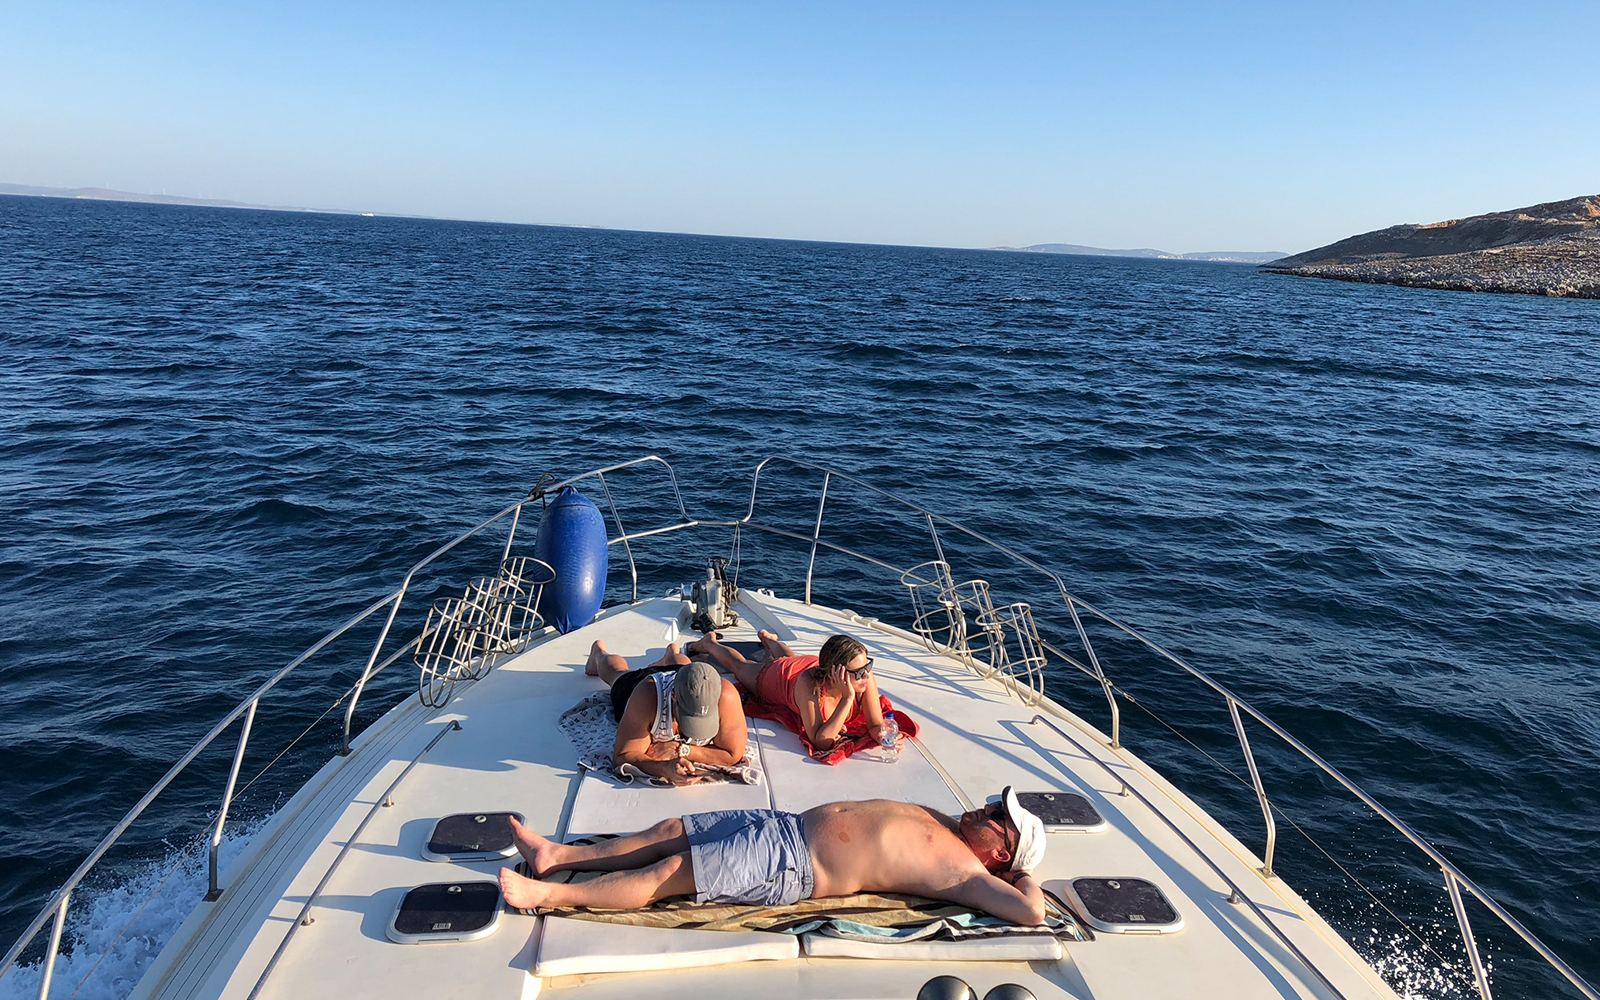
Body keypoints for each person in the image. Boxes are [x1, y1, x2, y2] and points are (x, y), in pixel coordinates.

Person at [498, 787, 1048, 925]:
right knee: (670, 829)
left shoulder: (969, 873)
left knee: (671, 872)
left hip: (795, 864)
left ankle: (551, 894)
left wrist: (1026, 878)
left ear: (1003, 853)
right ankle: (556, 854)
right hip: (783, 824)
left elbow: (1032, 914)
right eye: (996, 801)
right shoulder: (950, 825)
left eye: (998, 814)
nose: (986, 807)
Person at [689, 631, 894, 757]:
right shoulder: (809, 684)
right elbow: (819, 741)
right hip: (782, 677)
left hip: (808, 663)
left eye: (868, 666)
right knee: (741, 667)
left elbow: (876, 724)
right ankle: (709, 643)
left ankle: (767, 639)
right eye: (858, 672)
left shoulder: (865, 677)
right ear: (835, 673)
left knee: (790, 656)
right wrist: (848, 699)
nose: (866, 675)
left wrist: (881, 734)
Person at [584, 640, 748, 786]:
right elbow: (622, 756)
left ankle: (672, 653)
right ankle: (598, 653)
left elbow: (732, 754)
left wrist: (682, 750)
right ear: (673, 696)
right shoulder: (646, 696)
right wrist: (663, 769)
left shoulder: (726, 695)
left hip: (683, 676)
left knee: (684, 668)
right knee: (618, 674)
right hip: (639, 685)